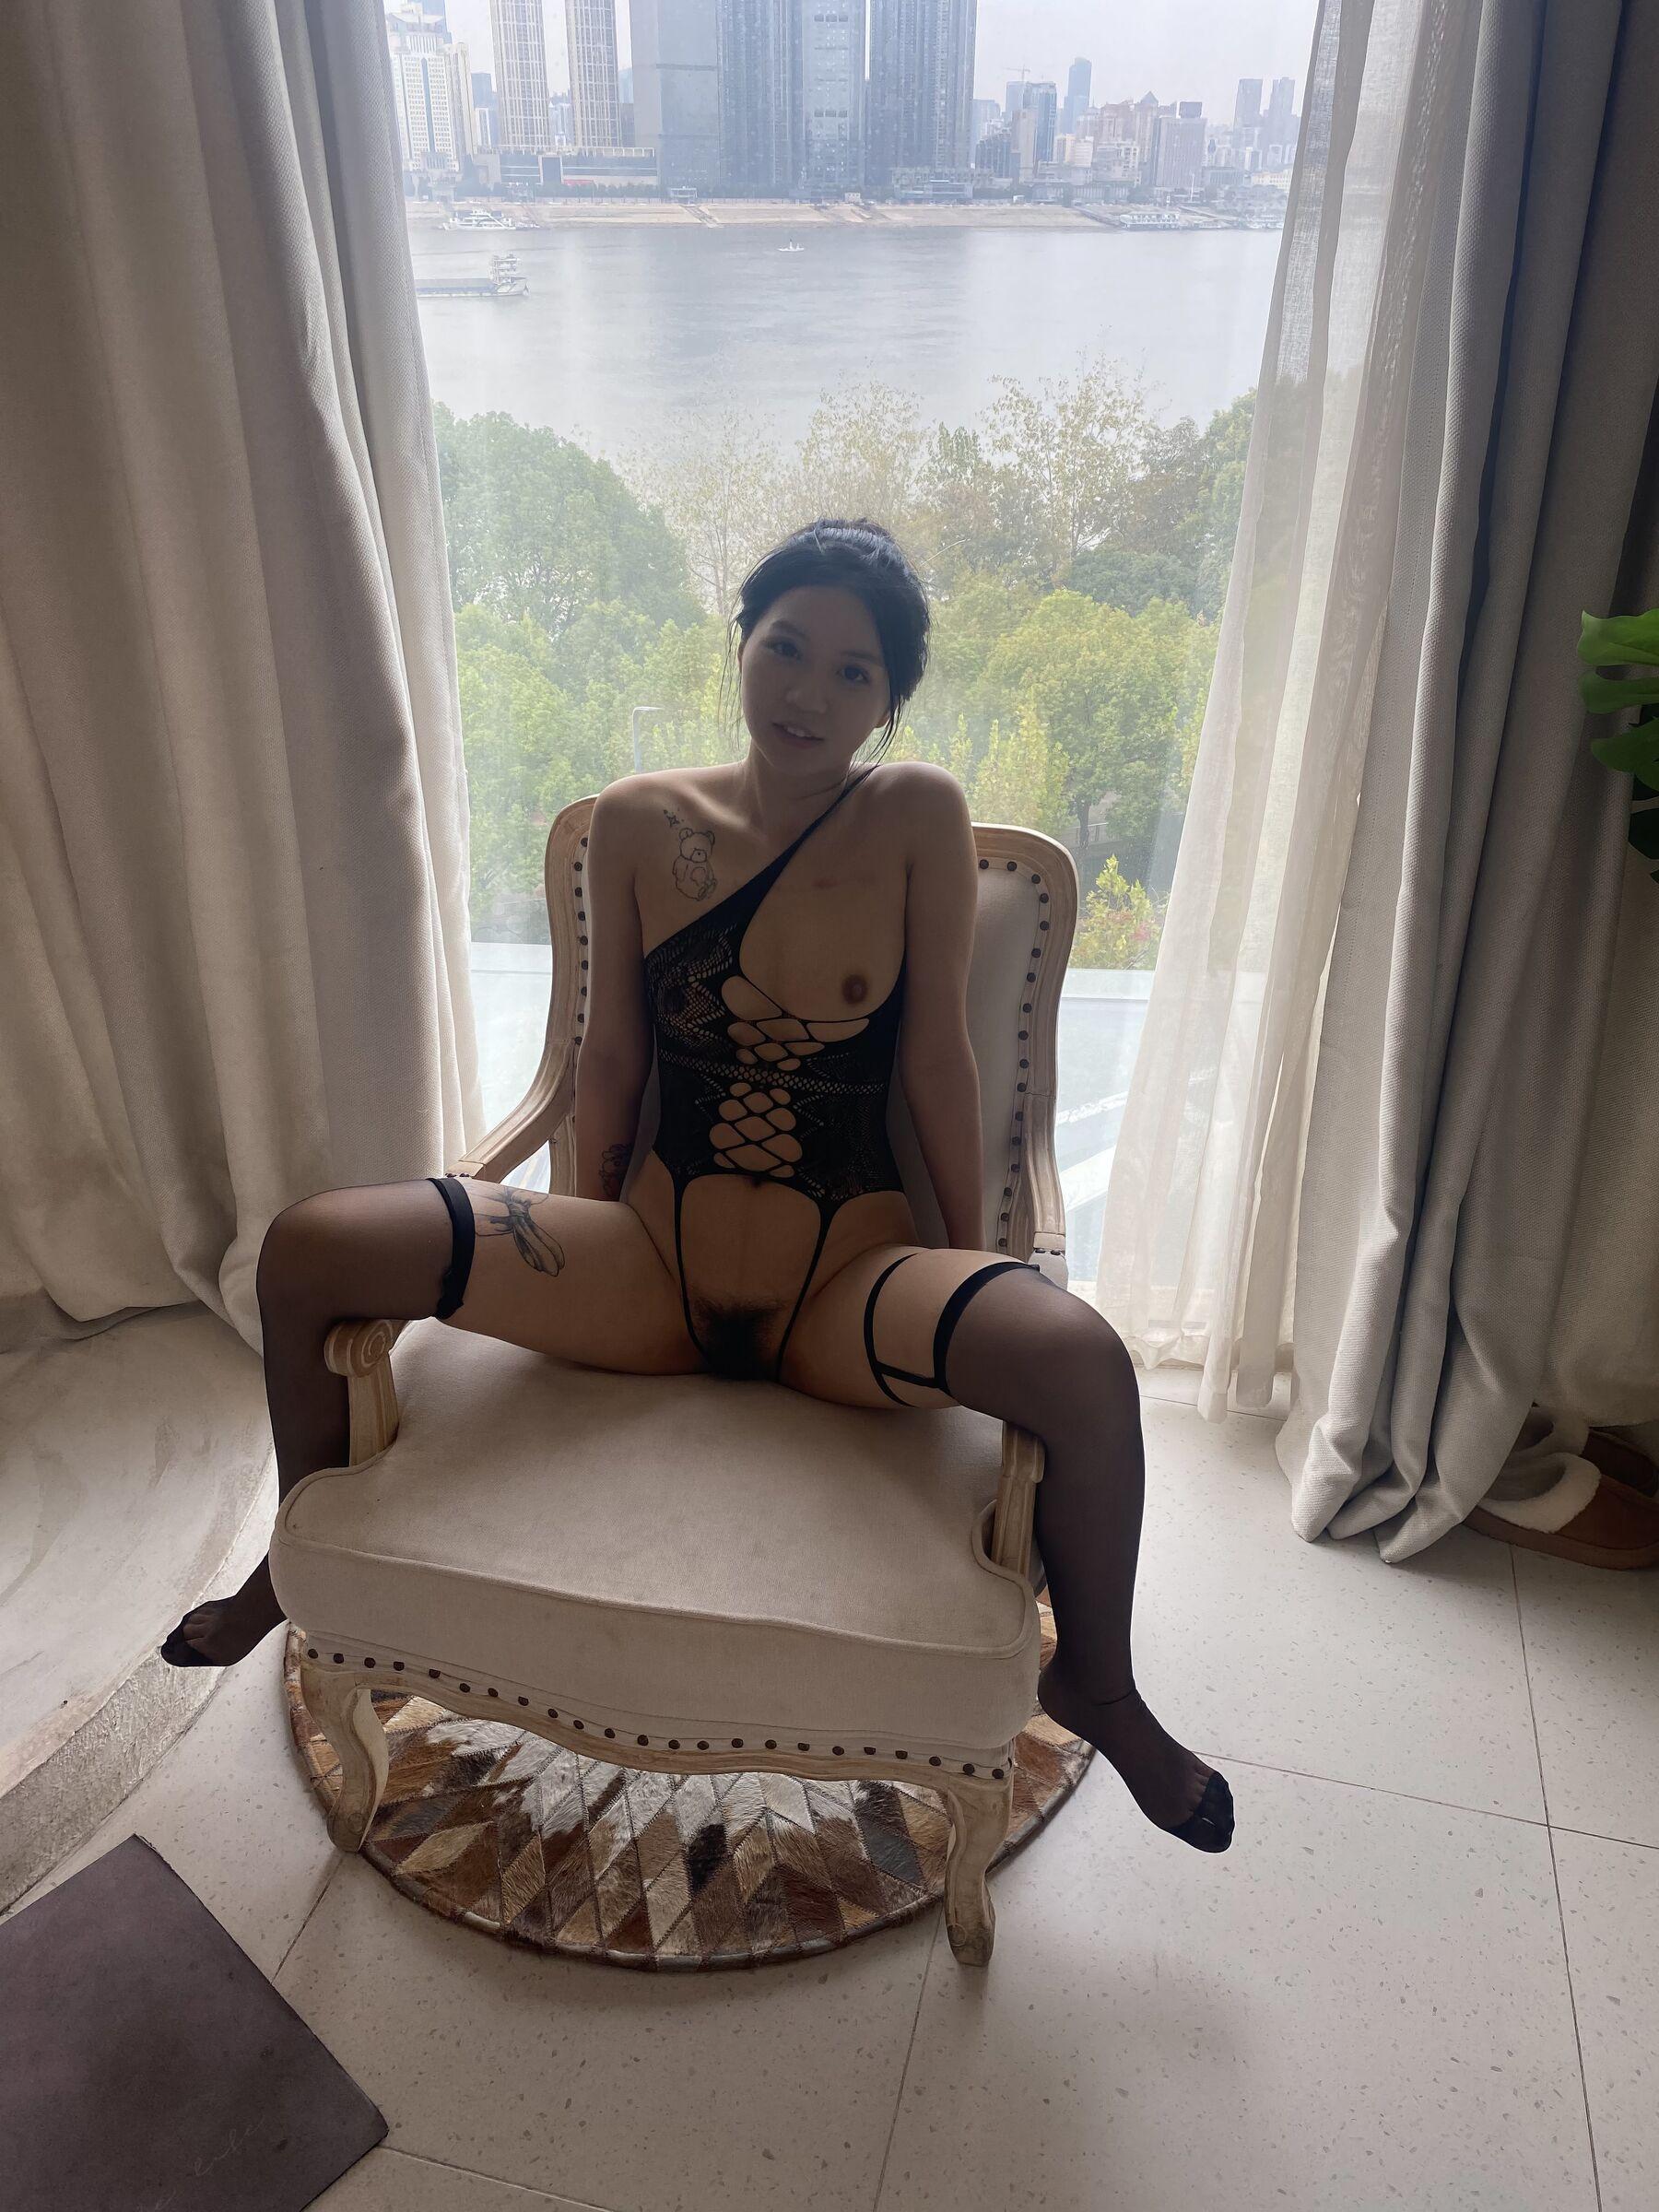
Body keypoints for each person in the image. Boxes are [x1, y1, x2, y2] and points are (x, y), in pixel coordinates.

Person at [160, 517, 1233, 1853]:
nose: (809, 692)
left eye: (852, 671)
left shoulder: (916, 812)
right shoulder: (636, 820)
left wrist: (969, 1264)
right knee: (311, 1246)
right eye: (786, 647)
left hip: (844, 1292)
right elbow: (607, 1057)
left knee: (1081, 1362)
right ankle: (294, 1551)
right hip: (650, 1272)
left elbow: (938, 1064)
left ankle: (1100, 1683)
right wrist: (574, 1222)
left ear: (888, 701)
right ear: (741, 644)